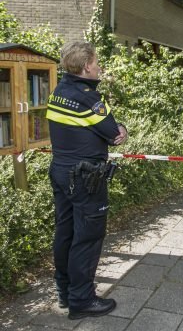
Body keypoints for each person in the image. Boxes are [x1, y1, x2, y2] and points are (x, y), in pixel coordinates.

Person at [46, 41, 127, 320]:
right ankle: (82, 300)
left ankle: (65, 292)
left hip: (61, 171)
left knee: (65, 232)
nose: (99, 67)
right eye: (96, 62)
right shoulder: (89, 99)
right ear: (86, 66)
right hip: (85, 178)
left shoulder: (58, 91)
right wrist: (122, 128)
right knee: (88, 237)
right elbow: (113, 134)